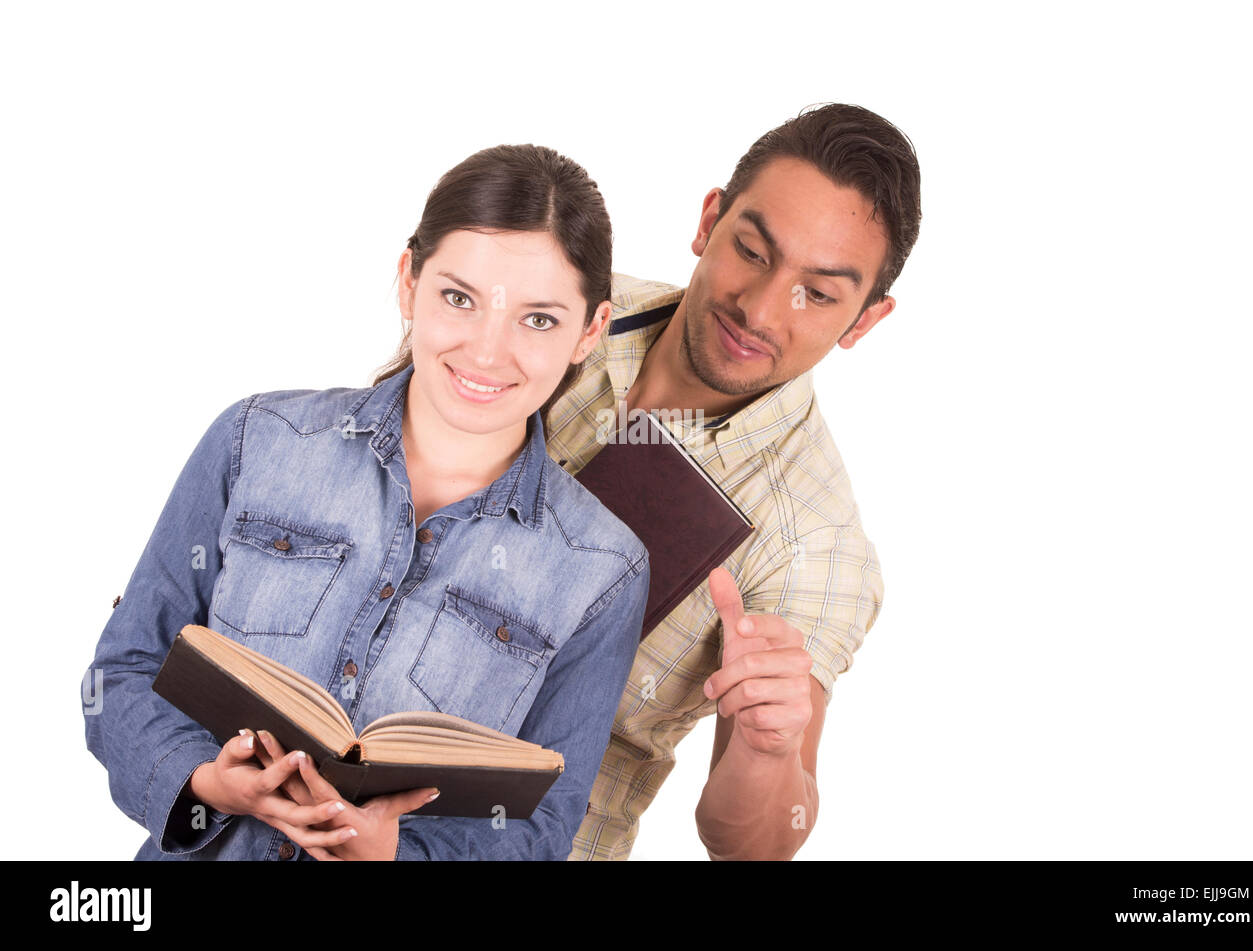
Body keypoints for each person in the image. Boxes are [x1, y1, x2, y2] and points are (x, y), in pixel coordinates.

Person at [82, 144, 652, 860]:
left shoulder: (604, 569)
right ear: (410, 280)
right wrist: (204, 784)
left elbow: (542, 825)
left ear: (590, 331)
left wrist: (393, 857)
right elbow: (124, 669)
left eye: (538, 319)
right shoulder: (255, 440)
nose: (486, 350)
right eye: (459, 297)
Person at [543, 103, 923, 860]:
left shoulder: (815, 542)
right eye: (752, 251)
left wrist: (770, 748)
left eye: (818, 294)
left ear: (864, 320)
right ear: (710, 219)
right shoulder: (557, 305)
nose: (759, 309)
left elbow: (752, 844)